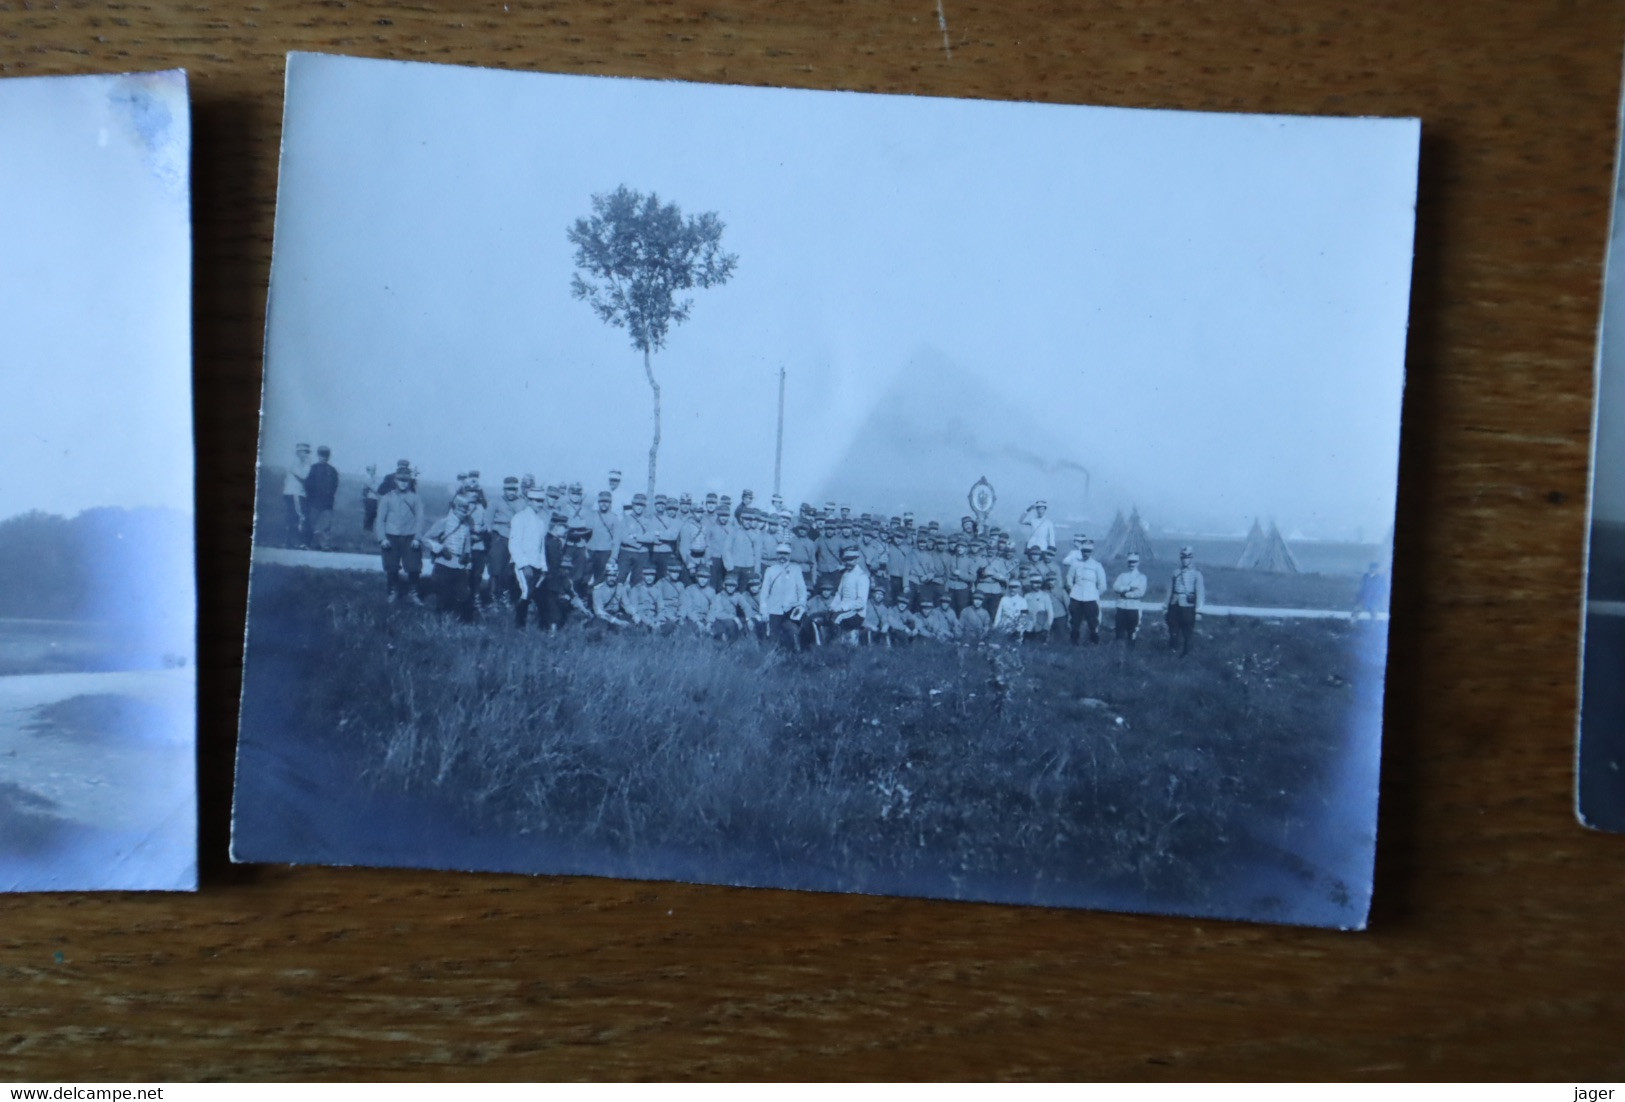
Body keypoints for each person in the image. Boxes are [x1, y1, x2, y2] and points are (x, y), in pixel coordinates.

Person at [422, 497, 478, 623]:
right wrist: (440, 548)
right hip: (443, 564)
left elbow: (467, 547)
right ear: (454, 508)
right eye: (461, 509)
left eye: (466, 509)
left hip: (459, 565)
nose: (464, 512)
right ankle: (439, 622)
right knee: (443, 595)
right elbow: (426, 539)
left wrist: (467, 561)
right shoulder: (444, 522)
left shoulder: (466, 525)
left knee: (464, 594)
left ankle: (464, 623)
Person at [375, 460, 423, 604]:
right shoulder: (387, 498)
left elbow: (420, 519)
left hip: (410, 536)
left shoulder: (415, 498)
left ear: (410, 481)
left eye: (406, 481)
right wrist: (382, 538)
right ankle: (392, 591)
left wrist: (417, 538)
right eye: (400, 480)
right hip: (391, 536)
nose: (403, 483)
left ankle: (414, 592)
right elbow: (380, 520)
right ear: (395, 480)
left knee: (414, 567)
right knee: (392, 566)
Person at [509, 488, 549, 629]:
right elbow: (514, 544)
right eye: (537, 501)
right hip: (524, 565)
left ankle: (533, 625)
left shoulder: (540, 522)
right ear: (529, 501)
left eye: (541, 501)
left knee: (534, 593)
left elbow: (541, 547)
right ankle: (518, 625)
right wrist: (524, 565)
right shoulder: (519, 518)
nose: (539, 504)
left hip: (536, 565)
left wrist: (544, 567)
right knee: (526, 592)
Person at [760, 541, 809, 650]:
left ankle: (798, 656)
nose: (782, 556)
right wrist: (764, 610)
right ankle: (776, 659)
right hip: (774, 609)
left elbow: (802, 590)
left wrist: (801, 605)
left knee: (795, 633)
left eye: (785, 554)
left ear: (789, 555)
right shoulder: (770, 570)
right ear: (777, 555)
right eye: (780, 553)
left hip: (791, 609)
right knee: (774, 639)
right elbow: (764, 592)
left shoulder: (796, 569)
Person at [485, 476, 522, 606]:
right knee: (495, 569)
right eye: (508, 489)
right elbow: (487, 521)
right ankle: (493, 598)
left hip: (515, 539)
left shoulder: (522, 503)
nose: (511, 492)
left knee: (509, 570)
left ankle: (506, 597)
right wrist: (492, 537)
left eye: (514, 489)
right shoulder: (495, 502)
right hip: (499, 537)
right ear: (504, 489)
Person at [1066, 537, 1108, 645]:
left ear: (1091, 552)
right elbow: (1069, 578)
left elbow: (1102, 584)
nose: (1086, 553)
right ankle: (1073, 644)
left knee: (1093, 622)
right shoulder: (1075, 564)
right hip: (1076, 596)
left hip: (1091, 597)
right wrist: (1072, 591)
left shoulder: (1097, 565)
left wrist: (1095, 594)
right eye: (1084, 551)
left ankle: (1094, 643)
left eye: (1088, 551)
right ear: (1081, 551)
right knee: (1075, 622)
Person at [1167, 545, 1206, 656]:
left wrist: (1198, 611)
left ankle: (1186, 653)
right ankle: (1173, 651)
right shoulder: (1176, 572)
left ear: (1191, 558)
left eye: (1188, 557)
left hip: (1188, 606)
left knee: (1187, 631)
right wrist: (1166, 606)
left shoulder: (1196, 574)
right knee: (1173, 629)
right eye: (1183, 557)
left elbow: (1200, 593)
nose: (1185, 559)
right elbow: (1170, 590)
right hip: (1174, 604)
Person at [302, 446, 339, 550]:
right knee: (310, 522)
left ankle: (325, 545)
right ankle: (307, 544)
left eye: (326, 456)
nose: (324, 458)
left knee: (326, 525)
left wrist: (330, 495)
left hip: (327, 502)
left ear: (328, 457)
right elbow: (308, 484)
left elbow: (335, 485)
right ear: (318, 456)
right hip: (314, 501)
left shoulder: (332, 471)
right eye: (322, 456)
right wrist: (310, 497)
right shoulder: (313, 468)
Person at [832, 547, 871, 644]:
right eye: (846, 560)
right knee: (829, 615)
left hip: (857, 613)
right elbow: (839, 593)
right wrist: (833, 605)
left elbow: (861, 603)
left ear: (857, 560)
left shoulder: (862, 576)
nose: (848, 562)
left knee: (836, 618)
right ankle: (834, 645)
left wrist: (843, 607)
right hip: (844, 610)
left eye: (851, 559)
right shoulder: (845, 574)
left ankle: (839, 645)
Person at [1111, 552, 1149, 647]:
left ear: (1138, 563)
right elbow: (1115, 587)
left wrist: (1124, 593)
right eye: (1130, 562)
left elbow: (1140, 593)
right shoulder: (1122, 575)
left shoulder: (1142, 577)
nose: (1132, 564)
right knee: (1119, 632)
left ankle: (1130, 653)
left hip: (1134, 608)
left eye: (1134, 562)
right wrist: (1129, 588)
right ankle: (1119, 654)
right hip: (1121, 607)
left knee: (1132, 632)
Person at [586, 491, 619, 584]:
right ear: (598, 502)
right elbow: (584, 534)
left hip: (605, 552)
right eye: (601, 501)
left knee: (600, 578)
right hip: (591, 551)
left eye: (606, 502)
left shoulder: (614, 518)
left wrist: (613, 557)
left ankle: (596, 597)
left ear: (610, 503)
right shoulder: (592, 515)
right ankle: (585, 597)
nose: (604, 504)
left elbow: (616, 540)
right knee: (586, 577)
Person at [283, 443, 312, 548]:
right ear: (298, 452)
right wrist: (308, 465)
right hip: (295, 493)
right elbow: (303, 475)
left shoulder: (299, 463)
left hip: (295, 492)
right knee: (300, 517)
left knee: (293, 517)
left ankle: (290, 542)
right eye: (305, 452)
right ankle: (298, 542)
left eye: (307, 452)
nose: (307, 454)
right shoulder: (295, 462)